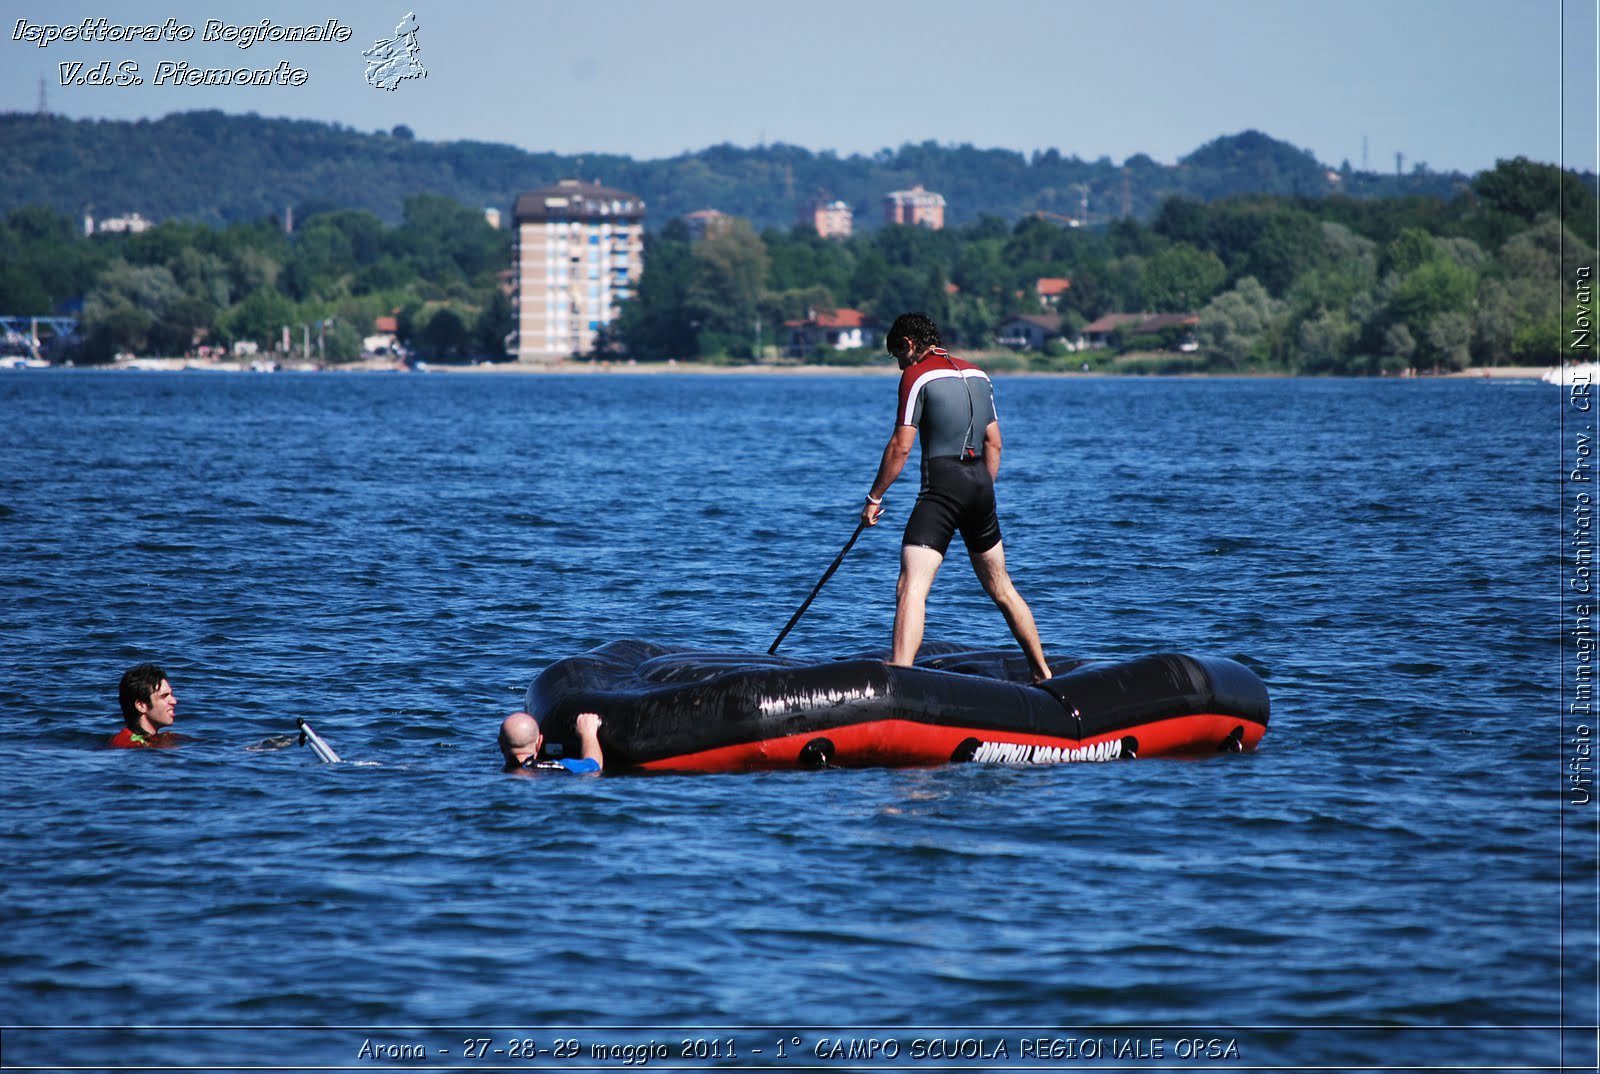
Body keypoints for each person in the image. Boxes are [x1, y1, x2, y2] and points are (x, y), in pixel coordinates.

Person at [862, 312, 1052, 682]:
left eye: (897, 355)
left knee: (911, 585)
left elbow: (901, 447)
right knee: (1002, 587)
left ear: (910, 346)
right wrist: (979, 491)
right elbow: (994, 442)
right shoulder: (980, 375)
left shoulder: (916, 376)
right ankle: (1042, 671)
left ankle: (900, 673)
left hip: (942, 488)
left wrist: (874, 497)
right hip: (981, 487)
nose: (899, 364)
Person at [110, 663, 189, 748]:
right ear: (141, 706)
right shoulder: (128, 744)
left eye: (171, 694)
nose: (174, 701)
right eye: (164, 696)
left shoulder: (162, 738)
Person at [498, 710, 604, 773]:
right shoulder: (553, 768)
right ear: (539, 742)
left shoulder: (497, 773)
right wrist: (588, 733)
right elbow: (594, 766)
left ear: (500, 745)